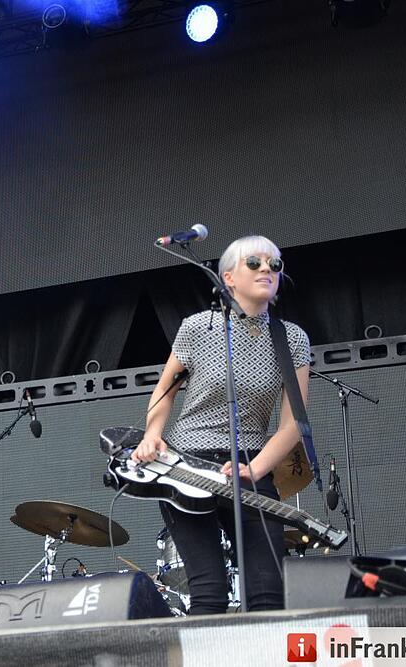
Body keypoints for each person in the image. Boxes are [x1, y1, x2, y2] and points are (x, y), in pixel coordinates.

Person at [134, 235, 310, 614]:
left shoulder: (290, 338)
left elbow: (294, 423)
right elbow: (164, 394)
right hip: (186, 465)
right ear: (227, 277)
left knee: (268, 591)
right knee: (209, 591)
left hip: (249, 462)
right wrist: (152, 435)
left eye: (274, 264)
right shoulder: (197, 328)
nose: (267, 269)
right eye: (255, 263)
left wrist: (254, 470)